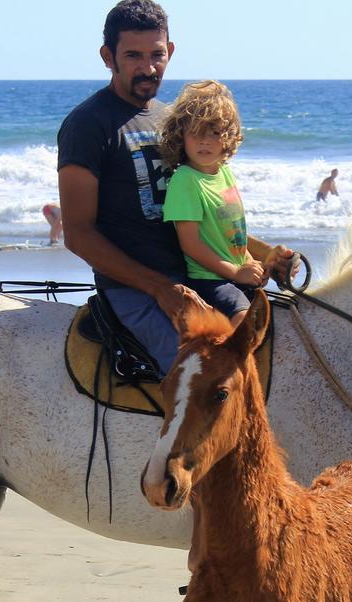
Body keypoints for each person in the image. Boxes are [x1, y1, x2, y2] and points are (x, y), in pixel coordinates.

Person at [57, 0, 295, 375]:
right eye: (133, 55)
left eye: (156, 54)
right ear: (108, 56)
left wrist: (265, 255)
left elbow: (205, 213)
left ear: (169, 51)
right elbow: (78, 234)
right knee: (206, 380)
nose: (148, 67)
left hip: (200, 277)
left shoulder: (175, 120)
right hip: (136, 291)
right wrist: (159, 289)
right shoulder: (88, 125)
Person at [159, 80, 263, 328]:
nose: (204, 142)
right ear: (181, 136)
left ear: (228, 138)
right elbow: (191, 244)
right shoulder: (185, 180)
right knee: (245, 322)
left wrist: (249, 262)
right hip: (209, 279)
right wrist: (236, 273)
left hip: (233, 273)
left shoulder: (223, 172)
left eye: (214, 133)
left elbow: (233, 233)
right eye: (196, 133)